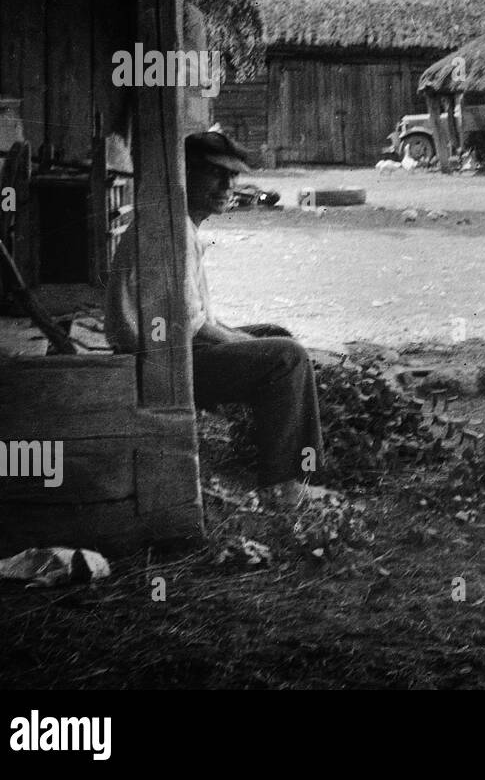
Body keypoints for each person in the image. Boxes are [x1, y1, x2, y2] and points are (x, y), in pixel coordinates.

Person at [105, 129, 326, 507]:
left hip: (169, 354)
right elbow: (193, 330)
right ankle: (285, 485)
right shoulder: (171, 233)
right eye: (216, 174)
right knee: (287, 356)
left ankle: (279, 458)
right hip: (158, 367)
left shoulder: (182, 224)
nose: (228, 185)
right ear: (184, 174)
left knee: (276, 336)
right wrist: (255, 347)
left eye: (233, 176)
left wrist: (254, 342)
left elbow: (199, 318)